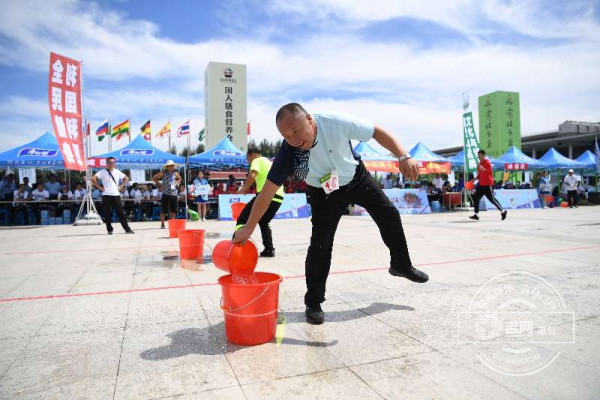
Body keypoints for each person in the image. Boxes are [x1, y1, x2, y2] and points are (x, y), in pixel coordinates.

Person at [233, 103, 429, 325]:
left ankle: (401, 265)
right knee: (320, 243)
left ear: (308, 119)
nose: (293, 139)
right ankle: (313, 302)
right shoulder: (288, 152)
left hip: (355, 177)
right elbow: (266, 192)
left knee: (389, 214)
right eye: (285, 136)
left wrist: (403, 156)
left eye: (296, 131)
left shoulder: (335, 122)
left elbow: (376, 131)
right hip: (323, 191)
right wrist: (248, 227)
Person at [235, 148, 285, 258]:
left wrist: (245, 188)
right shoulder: (270, 162)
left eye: (248, 160)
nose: (249, 163)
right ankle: (269, 249)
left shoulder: (257, 161)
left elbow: (252, 174)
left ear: (253, 155)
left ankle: (235, 245)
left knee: (243, 217)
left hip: (266, 195)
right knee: (264, 222)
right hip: (279, 197)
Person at [91, 157, 134, 235]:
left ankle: (127, 229)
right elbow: (93, 179)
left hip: (115, 194)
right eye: (109, 162)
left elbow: (126, 178)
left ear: (115, 163)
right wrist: (100, 188)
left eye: (112, 162)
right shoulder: (102, 172)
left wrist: (121, 186)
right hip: (106, 194)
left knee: (121, 212)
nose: (111, 164)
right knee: (107, 213)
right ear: (106, 163)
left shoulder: (117, 171)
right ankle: (109, 229)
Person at [469, 149, 507, 221]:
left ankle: (503, 211)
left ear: (484, 155)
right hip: (481, 185)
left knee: (492, 200)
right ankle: (476, 215)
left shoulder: (487, 162)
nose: (479, 157)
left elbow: (489, 172)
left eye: (480, 155)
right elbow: (480, 176)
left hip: (487, 185)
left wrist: (481, 168)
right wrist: (474, 179)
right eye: (478, 156)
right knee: (476, 198)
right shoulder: (480, 163)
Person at [152, 160, 182, 229]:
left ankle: (173, 224)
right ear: (167, 167)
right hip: (165, 193)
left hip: (173, 194)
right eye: (170, 166)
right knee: (163, 210)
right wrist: (160, 185)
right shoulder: (163, 173)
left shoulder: (176, 173)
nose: (171, 167)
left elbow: (180, 178)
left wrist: (177, 182)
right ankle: (162, 224)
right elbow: (154, 178)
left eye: (172, 166)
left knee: (173, 210)